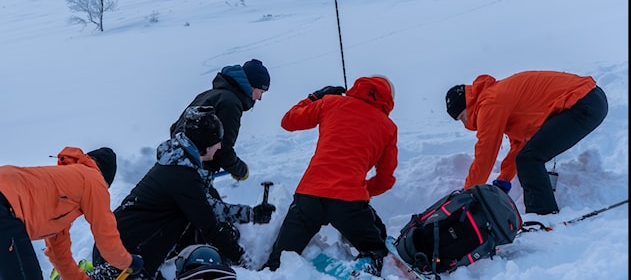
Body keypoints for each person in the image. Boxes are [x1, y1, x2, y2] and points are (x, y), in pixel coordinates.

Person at [89, 106, 275, 280]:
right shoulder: (182, 176)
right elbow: (210, 228)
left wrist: (251, 214)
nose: (219, 147)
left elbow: (209, 207)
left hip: (118, 247)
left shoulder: (180, 166)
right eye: (217, 142)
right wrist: (248, 264)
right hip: (124, 257)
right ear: (205, 145)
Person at [262, 76, 399, 276]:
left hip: (308, 196)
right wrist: (359, 189)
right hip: (349, 204)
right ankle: (365, 267)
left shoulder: (330, 102)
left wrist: (316, 97)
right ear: (388, 99)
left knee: (279, 260)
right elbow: (385, 180)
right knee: (377, 250)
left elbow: (289, 121)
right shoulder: (388, 127)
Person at [0, 146, 144, 280]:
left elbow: (58, 253)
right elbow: (107, 240)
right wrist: (128, 261)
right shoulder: (93, 178)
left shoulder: (62, 189)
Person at [444, 70, 608, 215]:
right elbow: (520, 144)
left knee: (530, 159)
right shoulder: (494, 97)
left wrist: (467, 195)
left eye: (462, 117)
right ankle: (543, 213)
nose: (465, 123)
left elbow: (485, 154)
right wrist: (504, 180)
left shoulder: (490, 103)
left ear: (466, 105)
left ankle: (543, 215)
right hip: (590, 98)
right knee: (527, 156)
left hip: (582, 101)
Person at [168, 59, 270, 253]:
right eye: (261, 92)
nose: (259, 98)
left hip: (177, 166)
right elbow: (223, 150)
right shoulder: (231, 103)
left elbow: (175, 128)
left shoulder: (209, 94)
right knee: (213, 221)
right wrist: (239, 169)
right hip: (195, 172)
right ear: (252, 86)